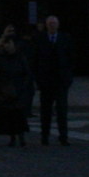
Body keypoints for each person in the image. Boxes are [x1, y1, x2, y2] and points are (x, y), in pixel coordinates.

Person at [31, 14, 73, 146]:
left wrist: (68, 77)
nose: (52, 26)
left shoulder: (65, 38)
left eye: (54, 23)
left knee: (62, 110)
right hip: (45, 80)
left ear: (58, 25)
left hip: (61, 80)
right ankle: (45, 136)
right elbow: (35, 59)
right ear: (46, 25)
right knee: (45, 111)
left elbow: (71, 58)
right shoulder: (39, 38)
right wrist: (37, 78)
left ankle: (63, 136)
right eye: (50, 23)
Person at [0, 31, 34, 147]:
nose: (6, 45)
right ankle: (13, 137)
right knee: (9, 115)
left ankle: (21, 137)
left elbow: (26, 73)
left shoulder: (20, 57)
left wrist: (23, 87)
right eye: (5, 44)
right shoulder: (0, 58)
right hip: (5, 90)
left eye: (8, 43)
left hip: (18, 89)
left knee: (19, 115)